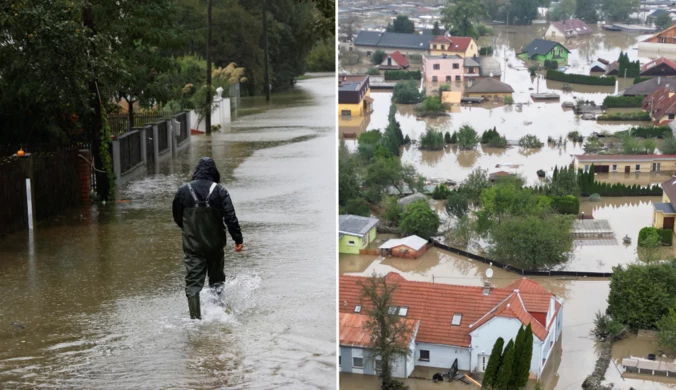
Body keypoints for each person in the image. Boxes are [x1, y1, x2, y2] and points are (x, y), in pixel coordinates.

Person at [172, 157, 243, 320]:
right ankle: (219, 314)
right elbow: (230, 217)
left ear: (197, 171)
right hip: (215, 245)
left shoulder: (183, 191)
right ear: (214, 172)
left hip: (192, 246)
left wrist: (188, 230)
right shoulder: (220, 191)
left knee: (193, 284)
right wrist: (238, 239)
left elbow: (177, 216)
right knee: (217, 280)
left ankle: (195, 321)